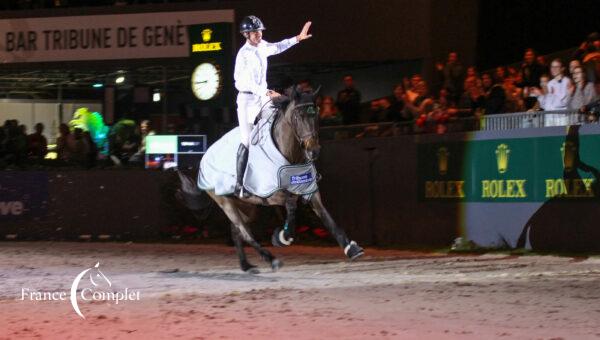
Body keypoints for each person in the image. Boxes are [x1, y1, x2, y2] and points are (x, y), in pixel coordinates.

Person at [234, 15, 312, 197]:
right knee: (246, 141)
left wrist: (297, 39)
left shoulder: (262, 46)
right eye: (254, 32)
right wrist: (267, 92)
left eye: (259, 31)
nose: (258, 34)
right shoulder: (243, 55)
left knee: (281, 118)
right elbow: (243, 81)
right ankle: (239, 185)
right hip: (246, 100)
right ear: (246, 34)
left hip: (262, 97)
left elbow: (278, 46)